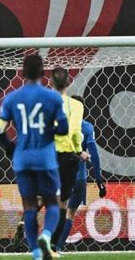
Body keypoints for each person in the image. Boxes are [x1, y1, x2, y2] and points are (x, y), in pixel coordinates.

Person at [0, 54, 68, 260]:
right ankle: (46, 235)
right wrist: (48, 132)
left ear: (23, 73)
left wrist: (10, 148)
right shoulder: (52, 98)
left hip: (22, 159)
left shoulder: (11, 98)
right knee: (53, 202)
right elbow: (63, 128)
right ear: (43, 74)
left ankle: (35, 253)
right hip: (45, 158)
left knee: (29, 206)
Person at [55, 95, 107, 252]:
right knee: (70, 214)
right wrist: (99, 180)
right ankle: (57, 248)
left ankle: (48, 247)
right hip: (79, 178)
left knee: (57, 211)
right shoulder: (87, 127)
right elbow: (94, 156)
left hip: (61, 175)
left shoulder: (62, 127)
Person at [49, 67, 89, 250]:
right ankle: (53, 246)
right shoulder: (77, 105)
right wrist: (79, 150)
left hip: (45, 155)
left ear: (50, 82)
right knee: (62, 203)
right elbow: (74, 132)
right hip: (66, 156)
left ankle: (26, 225)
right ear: (68, 83)